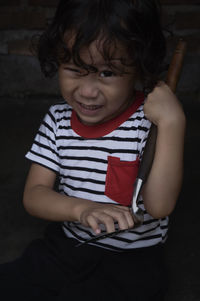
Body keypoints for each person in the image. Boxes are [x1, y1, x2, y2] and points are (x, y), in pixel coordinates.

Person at [0, 0, 186, 300]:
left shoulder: (151, 122)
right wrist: (81, 209)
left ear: (137, 67)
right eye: (74, 69)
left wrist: (173, 122)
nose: (87, 91)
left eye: (107, 73)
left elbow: (159, 206)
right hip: (67, 246)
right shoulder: (58, 121)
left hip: (132, 261)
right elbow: (34, 195)